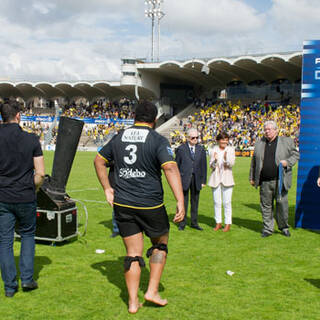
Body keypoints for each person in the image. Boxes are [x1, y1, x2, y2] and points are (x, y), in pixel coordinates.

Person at [94, 101, 184, 314]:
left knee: (133, 253)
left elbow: (98, 161)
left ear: (134, 116)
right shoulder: (157, 139)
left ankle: (133, 302)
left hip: (123, 203)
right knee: (160, 245)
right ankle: (151, 291)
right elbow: (170, 167)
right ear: (154, 120)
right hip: (151, 204)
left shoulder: (120, 136)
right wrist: (180, 200)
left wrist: (107, 188)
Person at [0, 100, 45, 298]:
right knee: (27, 235)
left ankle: (10, 286)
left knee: (5, 241)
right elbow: (41, 173)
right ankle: (27, 279)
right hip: (26, 195)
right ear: (18, 115)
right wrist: (33, 189)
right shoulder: (31, 139)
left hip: (3, 196)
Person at [249, 120, 299, 237]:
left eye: (269, 129)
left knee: (282, 205)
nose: (267, 132)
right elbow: (254, 162)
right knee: (266, 206)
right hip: (265, 181)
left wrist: (287, 162)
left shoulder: (287, 141)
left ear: (276, 130)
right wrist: (252, 177)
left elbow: (296, 155)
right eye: (265, 129)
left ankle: (284, 227)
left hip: (280, 180)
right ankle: (267, 229)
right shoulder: (259, 143)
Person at [175, 128, 207, 231]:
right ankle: (182, 223)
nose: (195, 139)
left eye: (197, 137)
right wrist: (177, 180)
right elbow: (177, 165)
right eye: (193, 138)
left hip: (197, 179)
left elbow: (204, 166)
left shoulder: (201, 149)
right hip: (184, 179)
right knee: (183, 201)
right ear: (188, 138)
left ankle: (194, 223)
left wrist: (203, 181)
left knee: (195, 202)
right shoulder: (181, 149)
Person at [208, 132, 235, 232]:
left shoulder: (230, 150)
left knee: (227, 202)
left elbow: (231, 164)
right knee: (217, 202)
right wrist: (214, 160)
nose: (224, 142)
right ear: (218, 140)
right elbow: (211, 166)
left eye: (226, 140)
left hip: (227, 179)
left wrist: (225, 159)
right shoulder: (213, 150)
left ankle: (228, 223)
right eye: (223, 140)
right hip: (215, 179)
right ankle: (218, 222)